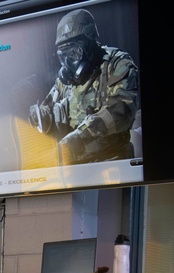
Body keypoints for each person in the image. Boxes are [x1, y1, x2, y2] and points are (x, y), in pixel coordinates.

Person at [28, 8, 138, 165]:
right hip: (73, 168)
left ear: (90, 41)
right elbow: (48, 105)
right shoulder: (65, 78)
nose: (68, 62)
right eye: (63, 55)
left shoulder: (116, 64)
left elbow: (122, 110)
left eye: (74, 53)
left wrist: (80, 136)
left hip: (112, 163)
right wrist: (39, 116)